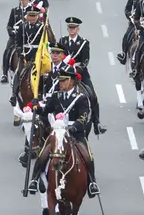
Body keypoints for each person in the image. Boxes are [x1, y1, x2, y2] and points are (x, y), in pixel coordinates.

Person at [26, 68, 100, 198]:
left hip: (75, 133)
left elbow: (83, 117)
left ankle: (92, 182)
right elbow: (46, 110)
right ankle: (34, 179)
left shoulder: (81, 98)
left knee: (87, 155)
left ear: (71, 81)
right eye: (60, 81)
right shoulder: (57, 96)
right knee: (43, 153)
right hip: (58, 132)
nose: (60, 83)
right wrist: (36, 108)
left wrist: (74, 127)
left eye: (64, 81)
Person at [59, 16, 106, 135]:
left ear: (78, 29)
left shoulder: (84, 43)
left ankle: (96, 123)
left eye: (74, 28)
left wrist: (76, 70)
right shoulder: (62, 41)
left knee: (92, 95)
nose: (72, 30)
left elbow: (85, 60)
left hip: (79, 73)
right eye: (70, 28)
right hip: (64, 72)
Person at [1, 0, 33, 83]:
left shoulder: (32, 11)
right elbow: (9, 25)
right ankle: (4, 73)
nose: (23, 1)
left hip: (27, 37)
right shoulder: (15, 11)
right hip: (15, 36)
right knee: (7, 51)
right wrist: (11, 31)